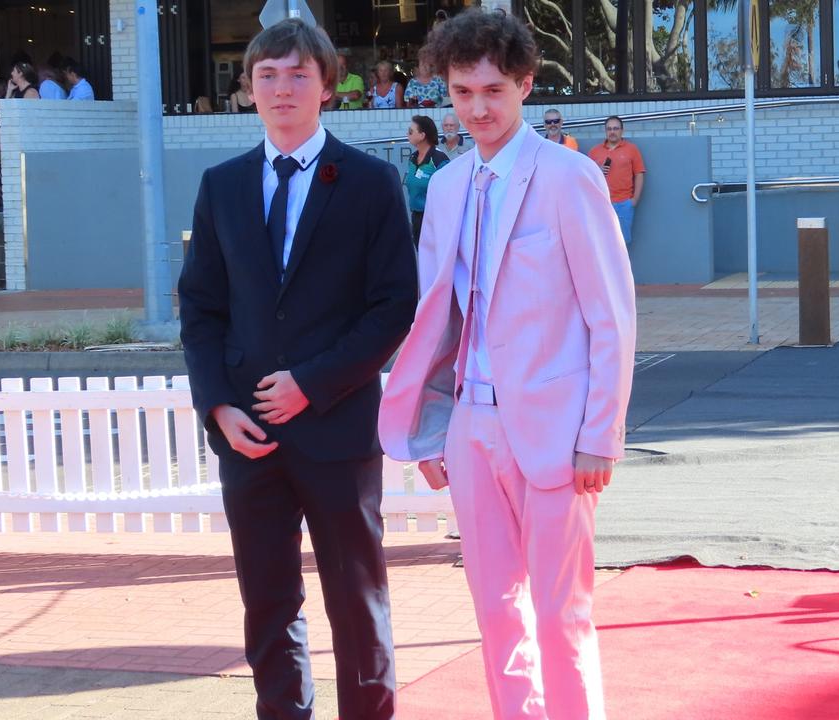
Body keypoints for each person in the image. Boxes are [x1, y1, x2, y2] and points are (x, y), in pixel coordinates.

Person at [378, 9, 635, 719]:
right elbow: (437, 321)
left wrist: (599, 436)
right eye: (463, 93)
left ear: (525, 84)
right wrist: (432, 428)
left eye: (493, 90)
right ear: (447, 93)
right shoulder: (450, 186)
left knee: (561, 614)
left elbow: (610, 316)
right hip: (470, 425)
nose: (478, 108)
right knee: (495, 612)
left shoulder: (570, 178)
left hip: (556, 432)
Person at [177, 18, 417, 720]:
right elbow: (200, 308)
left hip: (337, 429)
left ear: (328, 86)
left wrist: (310, 383)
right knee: (269, 603)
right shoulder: (221, 186)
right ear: (249, 89)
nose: (282, 88)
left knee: (357, 602)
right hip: (248, 437)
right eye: (267, 76)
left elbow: (392, 307)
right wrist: (219, 405)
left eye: (298, 74)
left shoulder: (373, 182)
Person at [587, 115, 645, 246]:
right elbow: (586, 178)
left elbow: (639, 174)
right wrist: (597, 171)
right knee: (601, 243)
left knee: (622, 244)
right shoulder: (594, 152)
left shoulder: (632, 149)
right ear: (605, 131)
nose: (612, 132)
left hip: (624, 204)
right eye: (609, 129)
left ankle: (620, 268)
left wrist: (634, 200)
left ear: (622, 131)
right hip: (600, 204)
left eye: (615, 129)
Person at [402, 114, 450, 246]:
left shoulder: (439, 159)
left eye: (411, 132)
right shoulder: (413, 158)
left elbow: (449, 193)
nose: (407, 134)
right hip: (417, 217)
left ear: (422, 135)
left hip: (435, 220)